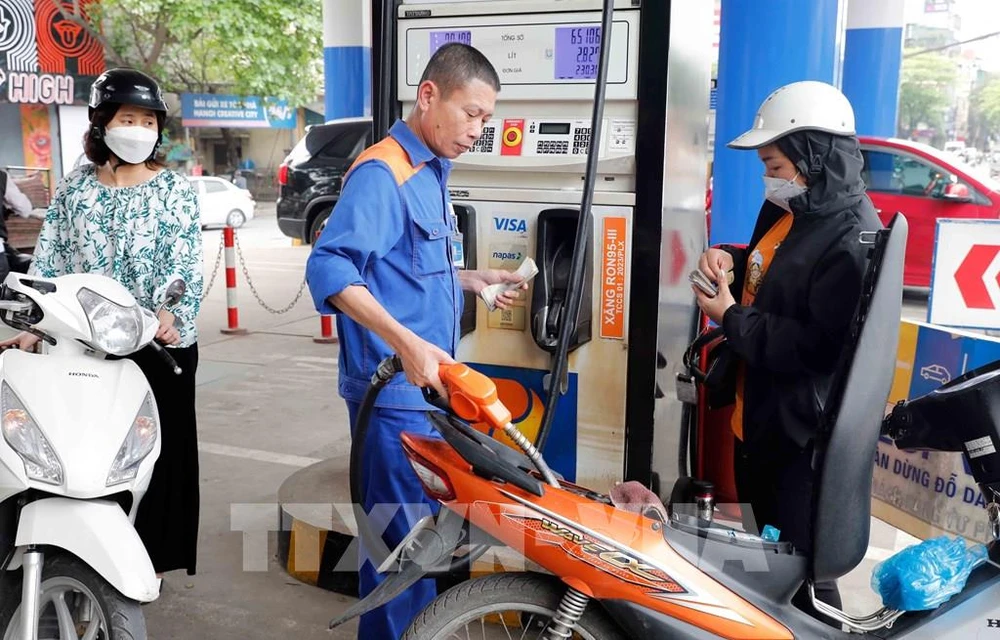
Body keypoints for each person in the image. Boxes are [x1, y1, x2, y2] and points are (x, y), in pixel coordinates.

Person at [306, 43, 523, 639]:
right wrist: (403, 340)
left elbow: (398, 267)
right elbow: (331, 269)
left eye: (487, 118)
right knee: (399, 557)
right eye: (472, 113)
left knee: (418, 548)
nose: (481, 130)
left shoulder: (430, 171)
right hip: (394, 398)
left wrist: (468, 280)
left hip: (426, 395)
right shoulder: (385, 173)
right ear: (428, 96)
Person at [2, 68, 204, 579]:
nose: (138, 128)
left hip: (154, 342)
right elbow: (50, 260)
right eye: (127, 118)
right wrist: (34, 320)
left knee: (156, 453)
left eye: (148, 120)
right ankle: (60, 548)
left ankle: (148, 561)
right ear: (101, 125)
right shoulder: (75, 190)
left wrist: (171, 314)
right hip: (78, 341)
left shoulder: (176, 191)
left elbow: (185, 261)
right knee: (62, 440)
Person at [693, 80, 882, 615]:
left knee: (800, 576)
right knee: (761, 563)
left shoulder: (849, 236)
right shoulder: (794, 211)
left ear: (814, 156)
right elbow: (769, 269)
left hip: (798, 442)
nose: (768, 178)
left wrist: (728, 315)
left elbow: (818, 348)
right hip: (757, 425)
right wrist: (729, 258)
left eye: (775, 166)